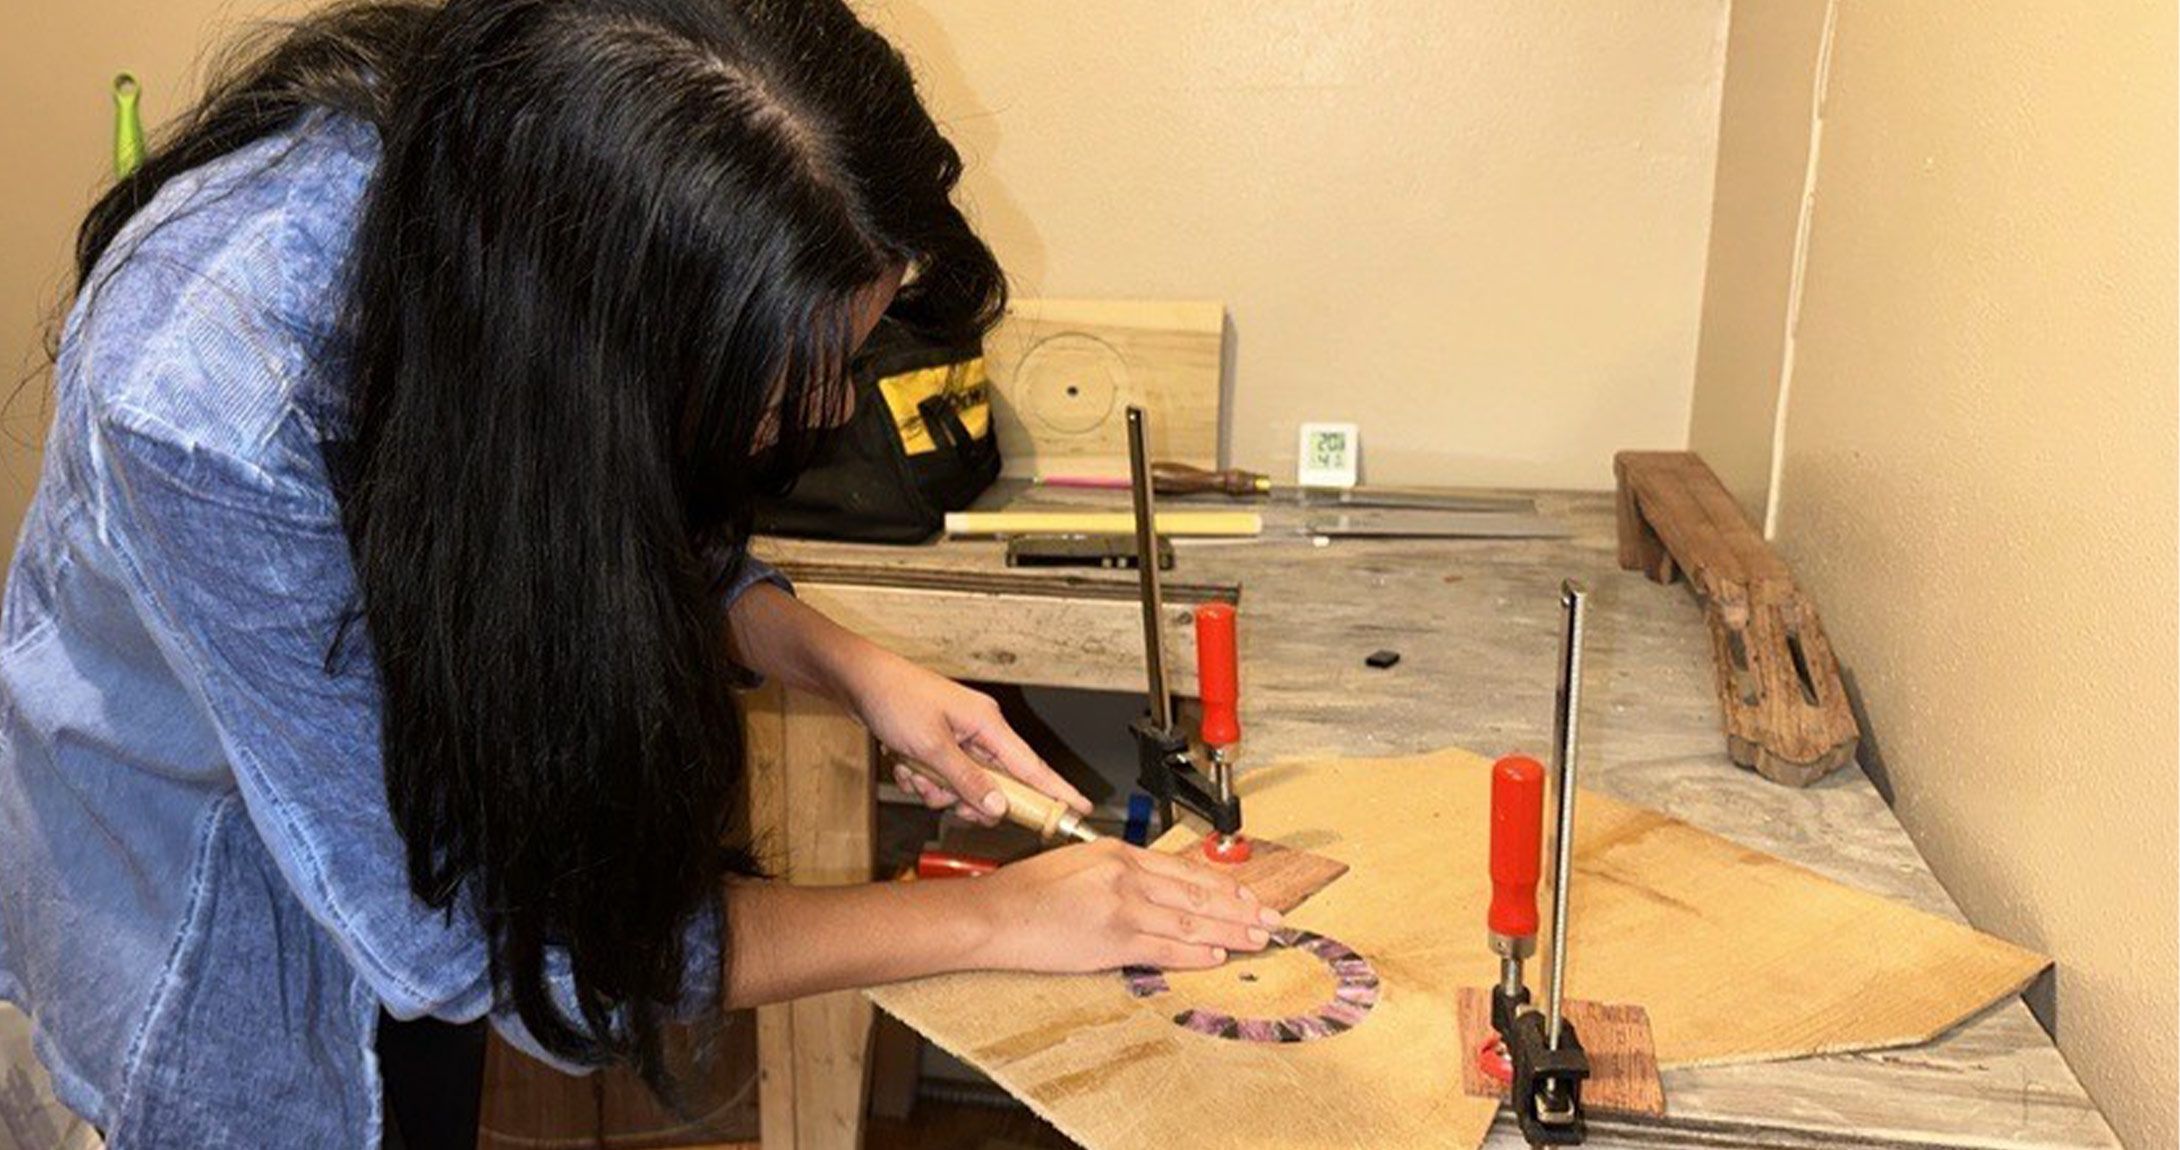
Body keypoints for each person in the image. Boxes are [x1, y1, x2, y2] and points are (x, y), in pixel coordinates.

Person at [0, 2, 1276, 1145]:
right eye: (792, 375)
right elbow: (481, 952)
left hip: (407, 863)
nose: (818, 411)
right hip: (211, 924)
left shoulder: (535, 222)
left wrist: (840, 660)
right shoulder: (211, 408)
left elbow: (600, 487)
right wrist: (990, 921)